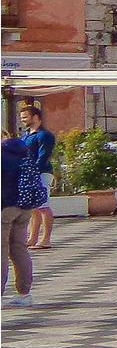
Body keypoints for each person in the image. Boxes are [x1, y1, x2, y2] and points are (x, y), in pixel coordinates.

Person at [2, 133, 39, 307]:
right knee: (19, 249)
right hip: (25, 206)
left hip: (5, 208)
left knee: (1, 251)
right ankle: (24, 293)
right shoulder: (23, 152)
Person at [18, 104, 55, 251]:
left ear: (35, 117)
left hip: (42, 173)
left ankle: (46, 239)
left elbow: (43, 156)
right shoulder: (26, 135)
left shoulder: (44, 135)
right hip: (29, 174)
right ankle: (32, 238)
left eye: (25, 117)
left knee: (43, 206)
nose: (23, 120)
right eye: (22, 118)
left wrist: (33, 172)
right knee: (33, 207)